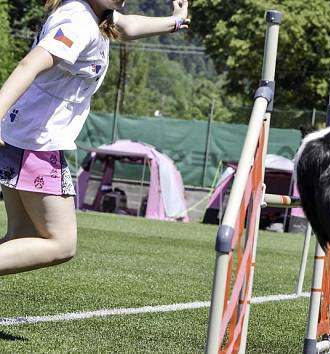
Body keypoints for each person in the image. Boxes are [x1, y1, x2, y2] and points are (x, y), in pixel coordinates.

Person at [0, 0, 190, 276]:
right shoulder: (78, 21)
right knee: (61, 244)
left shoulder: (98, 16)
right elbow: (29, 65)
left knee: (23, 235)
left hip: (23, 136)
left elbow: (131, 25)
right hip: (35, 143)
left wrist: (175, 20)